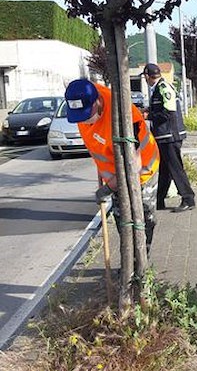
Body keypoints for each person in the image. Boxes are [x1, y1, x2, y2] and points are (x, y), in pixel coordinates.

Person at [65, 79, 160, 253]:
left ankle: (141, 263)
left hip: (143, 170)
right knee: (122, 220)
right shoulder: (82, 99)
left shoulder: (123, 117)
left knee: (144, 220)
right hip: (114, 177)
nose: (84, 121)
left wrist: (107, 188)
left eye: (87, 115)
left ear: (98, 101)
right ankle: (128, 263)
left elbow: (134, 165)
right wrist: (105, 178)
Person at [142, 63, 196, 213]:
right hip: (164, 136)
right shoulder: (159, 88)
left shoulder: (163, 88)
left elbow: (169, 112)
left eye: (145, 76)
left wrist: (149, 115)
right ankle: (159, 200)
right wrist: (150, 110)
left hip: (170, 135)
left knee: (175, 168)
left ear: (147, 76)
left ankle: (188, 198)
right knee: (164, 169)